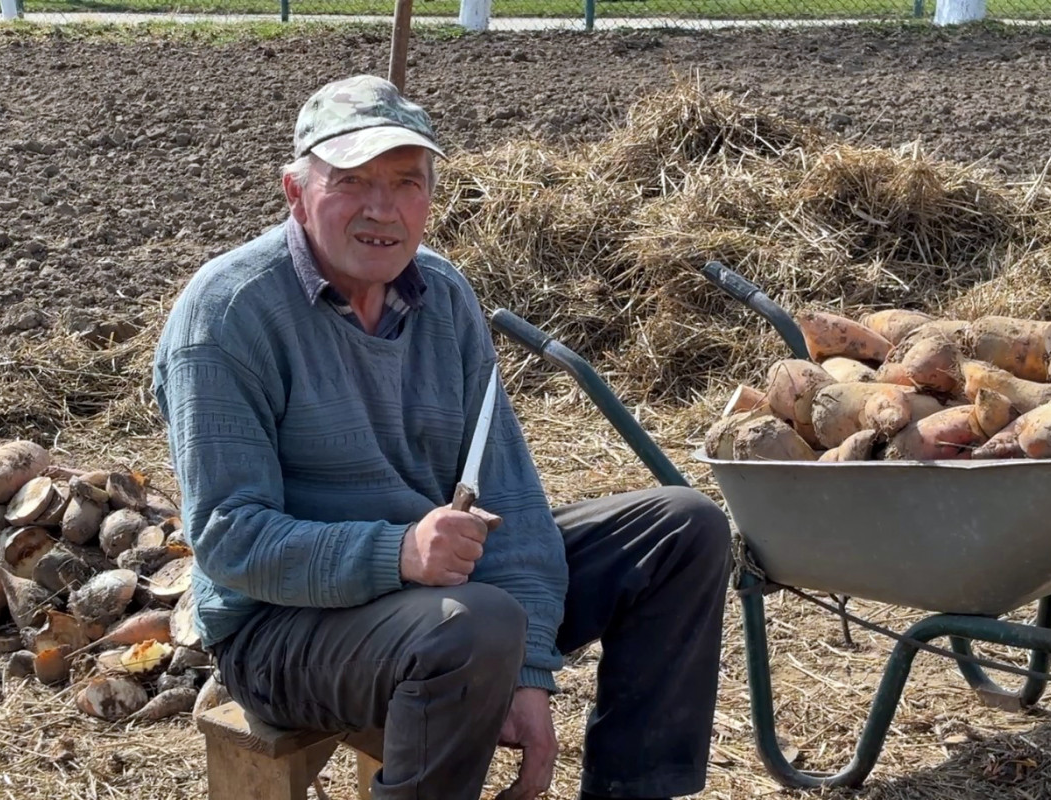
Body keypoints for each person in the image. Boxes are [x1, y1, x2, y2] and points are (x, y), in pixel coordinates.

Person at [151, 74, 732, 800]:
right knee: (474, 624)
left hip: (441, 595)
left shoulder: (442, 295)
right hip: (280, 631)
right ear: (295, 192)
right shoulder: (227, 314)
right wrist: (398, 552)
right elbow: (230, 539)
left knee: (682, 528)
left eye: (406, 182)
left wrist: (527, 672)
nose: (381, 208)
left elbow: (509, 502)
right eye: (351, 181)